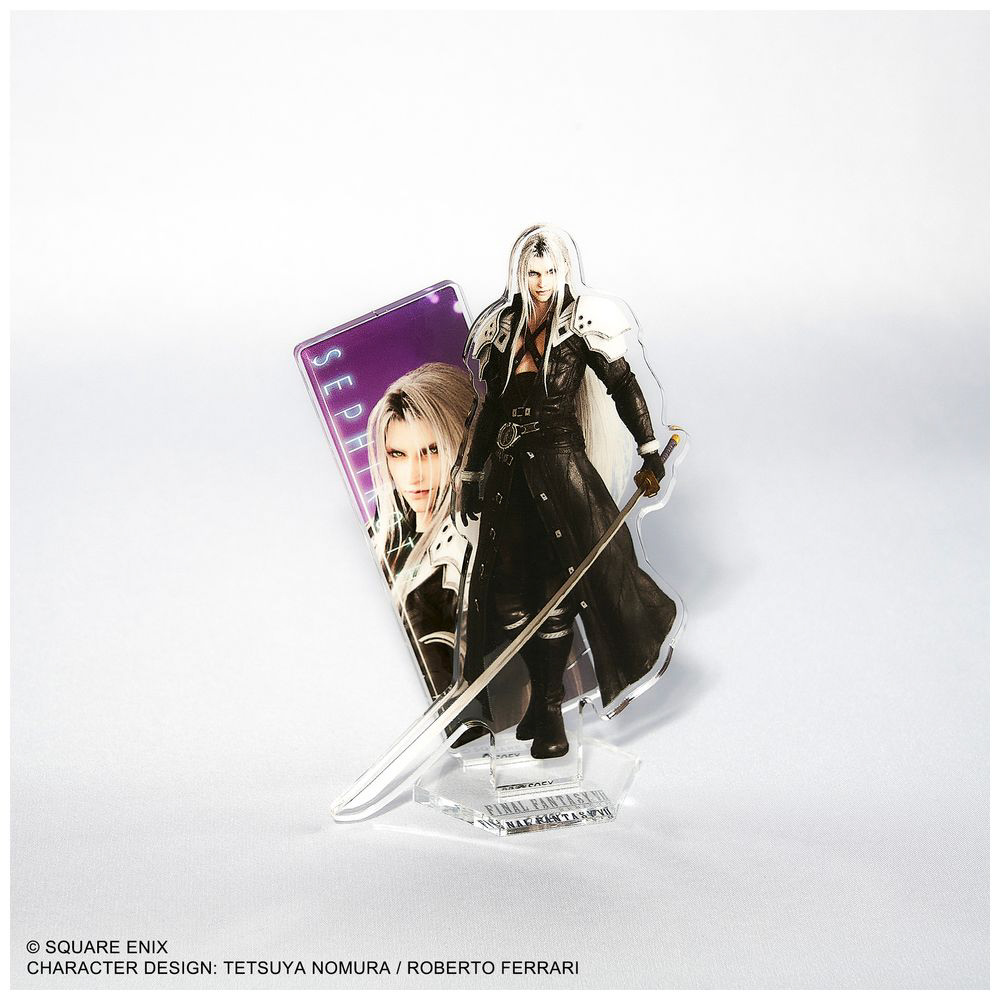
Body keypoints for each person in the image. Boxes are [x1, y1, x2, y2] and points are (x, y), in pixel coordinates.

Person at [459, 225, 677, 759]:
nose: (541, 282)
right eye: (533, 273)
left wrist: (649, 447)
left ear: (564, 272)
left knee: (556, 590)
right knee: (509, 597)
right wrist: (470, 475)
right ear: (520, 273)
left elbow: (622, 383)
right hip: (509, 479)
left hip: (560, 474)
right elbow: (489, 408)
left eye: (551, 272)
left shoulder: (583, 322)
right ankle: (538, 705)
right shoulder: (502, 327)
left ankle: (552, 714)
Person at [367, 363, 477, 699]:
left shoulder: (471, 548)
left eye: (431, 451)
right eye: (398, 454)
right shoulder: (384, 536)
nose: (413, 475)